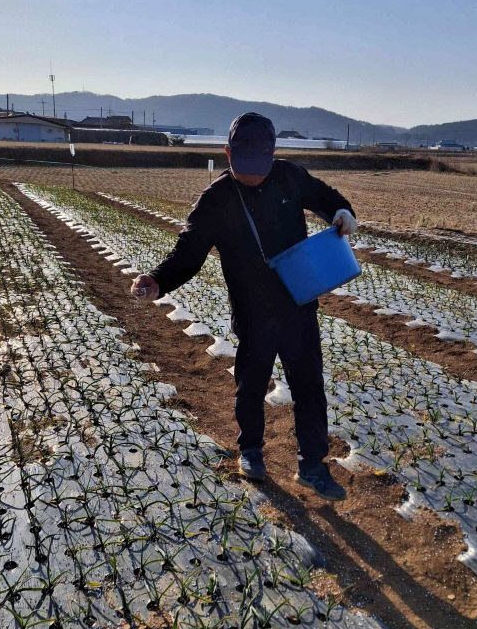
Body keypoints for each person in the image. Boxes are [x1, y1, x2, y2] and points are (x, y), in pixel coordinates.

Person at [130, 112, 358, 501]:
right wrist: (158, 279)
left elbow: (327, 198)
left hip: (298, 302)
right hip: (252, 311)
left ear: (273, 154)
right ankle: (251, 451)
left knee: (309, 386)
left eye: (259, 166)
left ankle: (313, 465)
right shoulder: (216, 199)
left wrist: (341, 212)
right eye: (244, 166)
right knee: (251, 385)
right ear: (227, 153)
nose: (253, 175)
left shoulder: (288, 175)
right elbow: (189, 251)